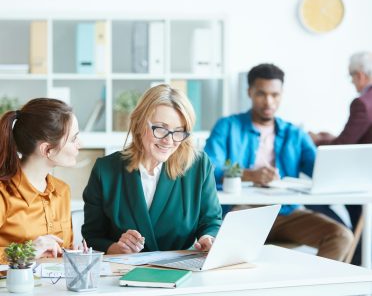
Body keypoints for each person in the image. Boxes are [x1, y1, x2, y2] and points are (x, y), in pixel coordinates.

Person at [205, 63, 354, 261]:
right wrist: (250, 174)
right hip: (242, 212)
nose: (269, 101)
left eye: (275, 95)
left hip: (284, 213)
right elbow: (208, 167)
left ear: (281, 94)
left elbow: (319, 170)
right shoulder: (228, 126)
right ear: (249, 92)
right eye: (261, 94)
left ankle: (302, 294)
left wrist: (345, 168)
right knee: (230, 261)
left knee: (341, 236)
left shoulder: (294, 133)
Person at [82, 84, 222, 254]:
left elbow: (210, 222)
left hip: (181, 271)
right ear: (140, 124)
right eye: (161, 129)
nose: (169, 141)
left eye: (179, 131)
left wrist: (207, 238)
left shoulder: (198, 166)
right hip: (123, 271)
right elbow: (93, 236)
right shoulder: (105, 170)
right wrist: (117, 248)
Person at [309, 51, 372, 265]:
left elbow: (342, 146)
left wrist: (317, 140)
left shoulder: (362, 103)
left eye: (352, 77)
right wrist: (329, 137)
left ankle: (351, 257)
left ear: (361, 75)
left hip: (361, 179)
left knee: (316, 199)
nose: (353, 82)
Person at [0, 98, 81, 261]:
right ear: (47, 150)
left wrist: (75, 254)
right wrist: (27, 251)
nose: (80, 144)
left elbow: (63, 249)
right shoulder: (3, 193)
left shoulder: (62, 190)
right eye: (73, 139)